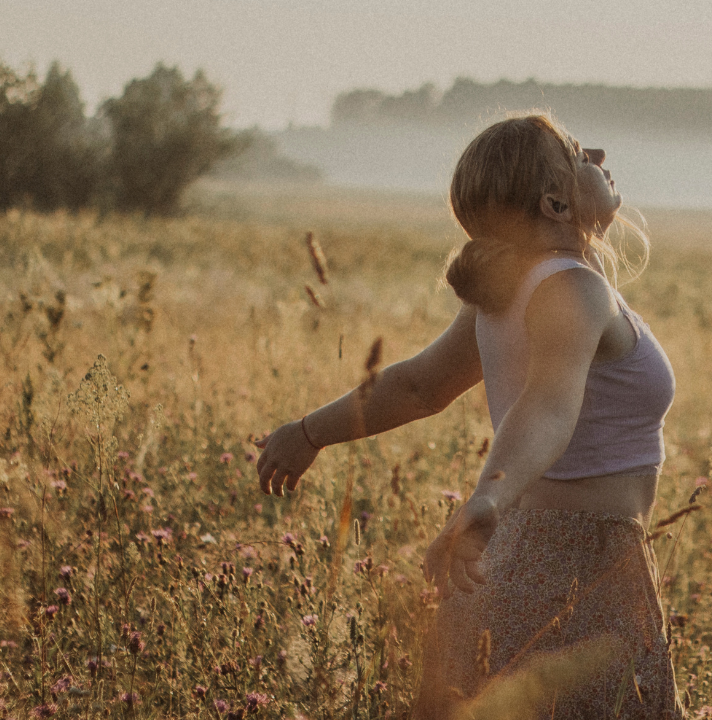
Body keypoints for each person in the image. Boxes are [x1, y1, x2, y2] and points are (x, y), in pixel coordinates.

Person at [254, 113, 682, 719]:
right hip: (577, 567)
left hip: (516, 557)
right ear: (556, 202)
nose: (600, 152)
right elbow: (547, 407)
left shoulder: (517, 288)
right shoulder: (572, 290)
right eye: (578, 153)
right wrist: (488, 500)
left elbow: (418, 387)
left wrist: (307, 433)